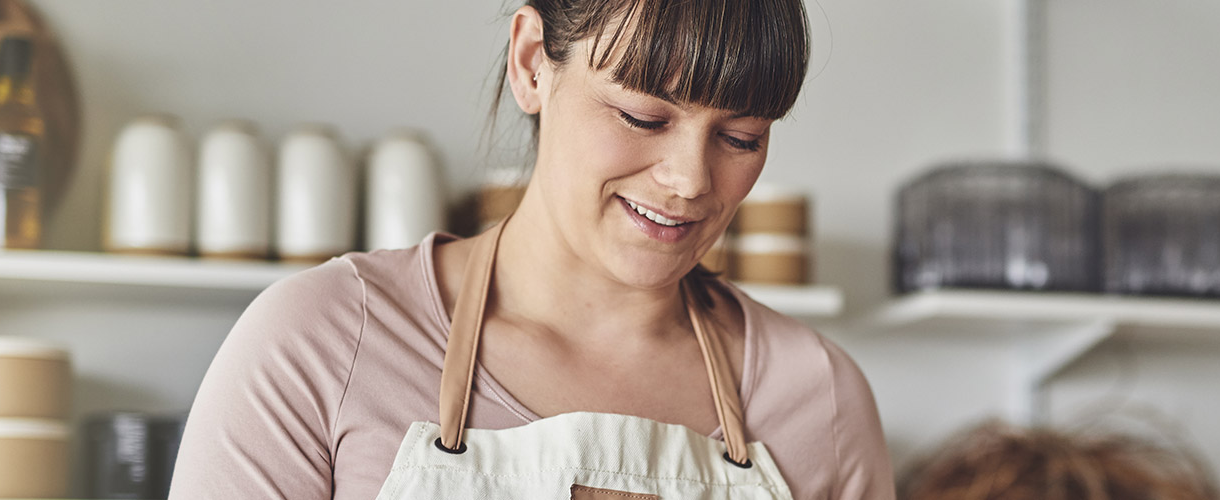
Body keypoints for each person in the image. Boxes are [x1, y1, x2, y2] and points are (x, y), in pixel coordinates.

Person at [167, 0, 895, 498]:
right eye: (643, 116)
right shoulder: (323, 341)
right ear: (530, 64)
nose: (689, 180)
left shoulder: (817, 399)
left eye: (742, 137)